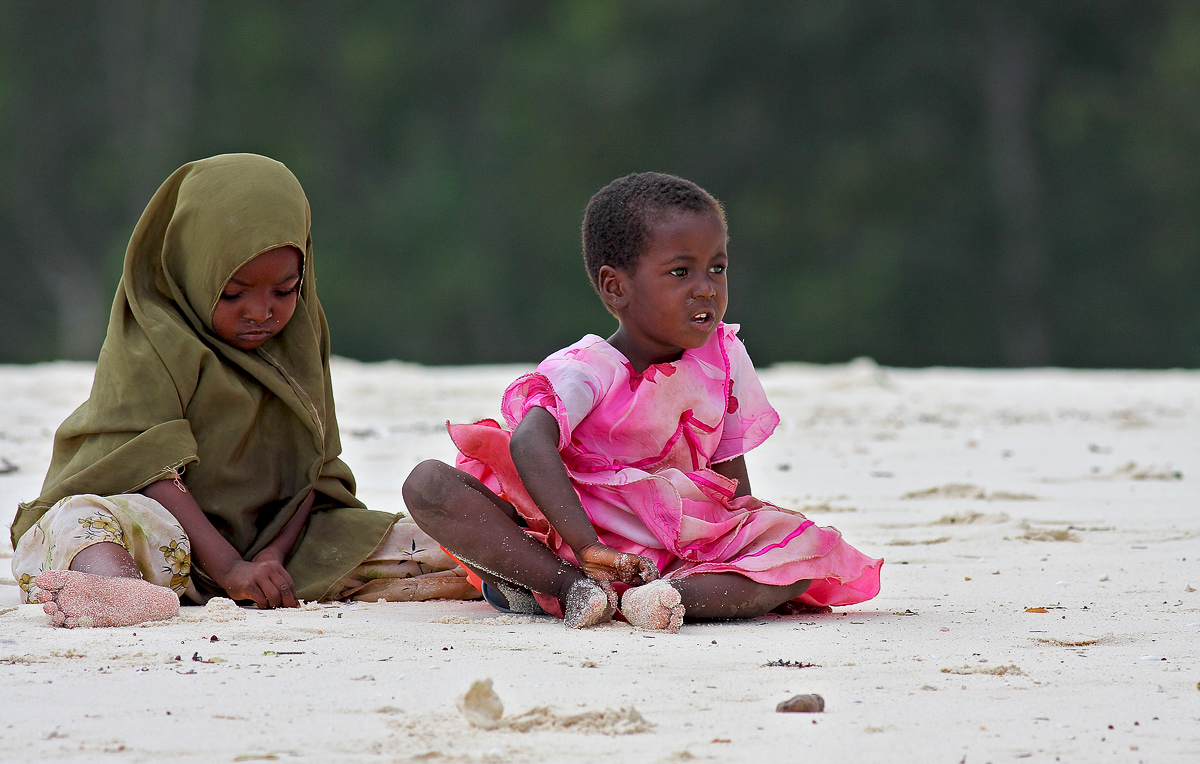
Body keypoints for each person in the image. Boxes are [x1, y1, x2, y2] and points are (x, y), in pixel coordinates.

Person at [11, 153, 476, 628]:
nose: (261, 312)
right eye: (233, 293)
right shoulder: (154, 334)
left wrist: (268, 559)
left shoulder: (298, 340)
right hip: (165, 542)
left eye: (285, 290)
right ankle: (114, 590)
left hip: (276, 548)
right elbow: (150, 467)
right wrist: (229, 568)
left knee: (431, 543)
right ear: (191, 267)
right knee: (80, 522)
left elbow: (314, 474)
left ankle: (517, 578)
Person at [403, 172, 881, 632]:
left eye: (717, 267)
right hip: (565, 533)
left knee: (803, 557)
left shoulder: (725, 357)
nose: (706, 287)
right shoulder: (588, 367)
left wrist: (747, 541)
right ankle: (568, 588)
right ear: (616, 288)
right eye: (680, 271)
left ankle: (661, 600)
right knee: (428, 484)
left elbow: (730, 480)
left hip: (668, 546)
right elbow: (530, 441)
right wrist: (585, 547)